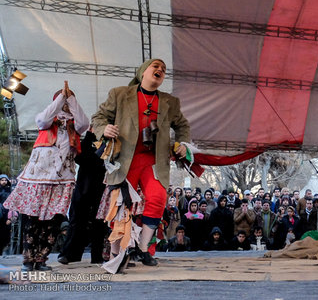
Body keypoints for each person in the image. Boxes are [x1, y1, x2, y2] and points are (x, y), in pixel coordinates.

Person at [92, 58, 190, 268]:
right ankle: (116, 255)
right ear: (143, 72)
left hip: (153, 160)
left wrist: (182, 143)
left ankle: (143, 248)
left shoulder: (170, 102)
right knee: (120, 205)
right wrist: (104, 129)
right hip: (124, 159)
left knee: (158, 197)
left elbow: (183, 126)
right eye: (156, 66)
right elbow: (99, 117)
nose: (160, 70)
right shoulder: (119, 94)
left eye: (163, 69)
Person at [3, 82, 89, 271]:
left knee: (54, 220)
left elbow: (85, 124)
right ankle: (28, 258)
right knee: (32, 217)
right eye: (63, 99)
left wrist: (72, 99)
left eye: (68, 99)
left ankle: (41, 259)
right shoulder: (47, 119)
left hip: (62, 178)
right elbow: (42, 120)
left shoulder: (75, 124)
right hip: (39, 176)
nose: (66, 102)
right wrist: (60, 98)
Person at [58, 128, 108, 265]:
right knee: (77, 221)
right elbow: (79, 157)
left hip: (101, 185)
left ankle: (97, 255)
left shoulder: (112, 141)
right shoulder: (89, 139)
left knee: (99, 223)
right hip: (84, 185)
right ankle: (69, 254)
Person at [0, 174, 13, 255]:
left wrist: (10, 217)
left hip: (6, 215)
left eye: (5, 180)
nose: (4, 181)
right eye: (2, 180)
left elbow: (12, 205)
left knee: (5, 234)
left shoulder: (10, 190)